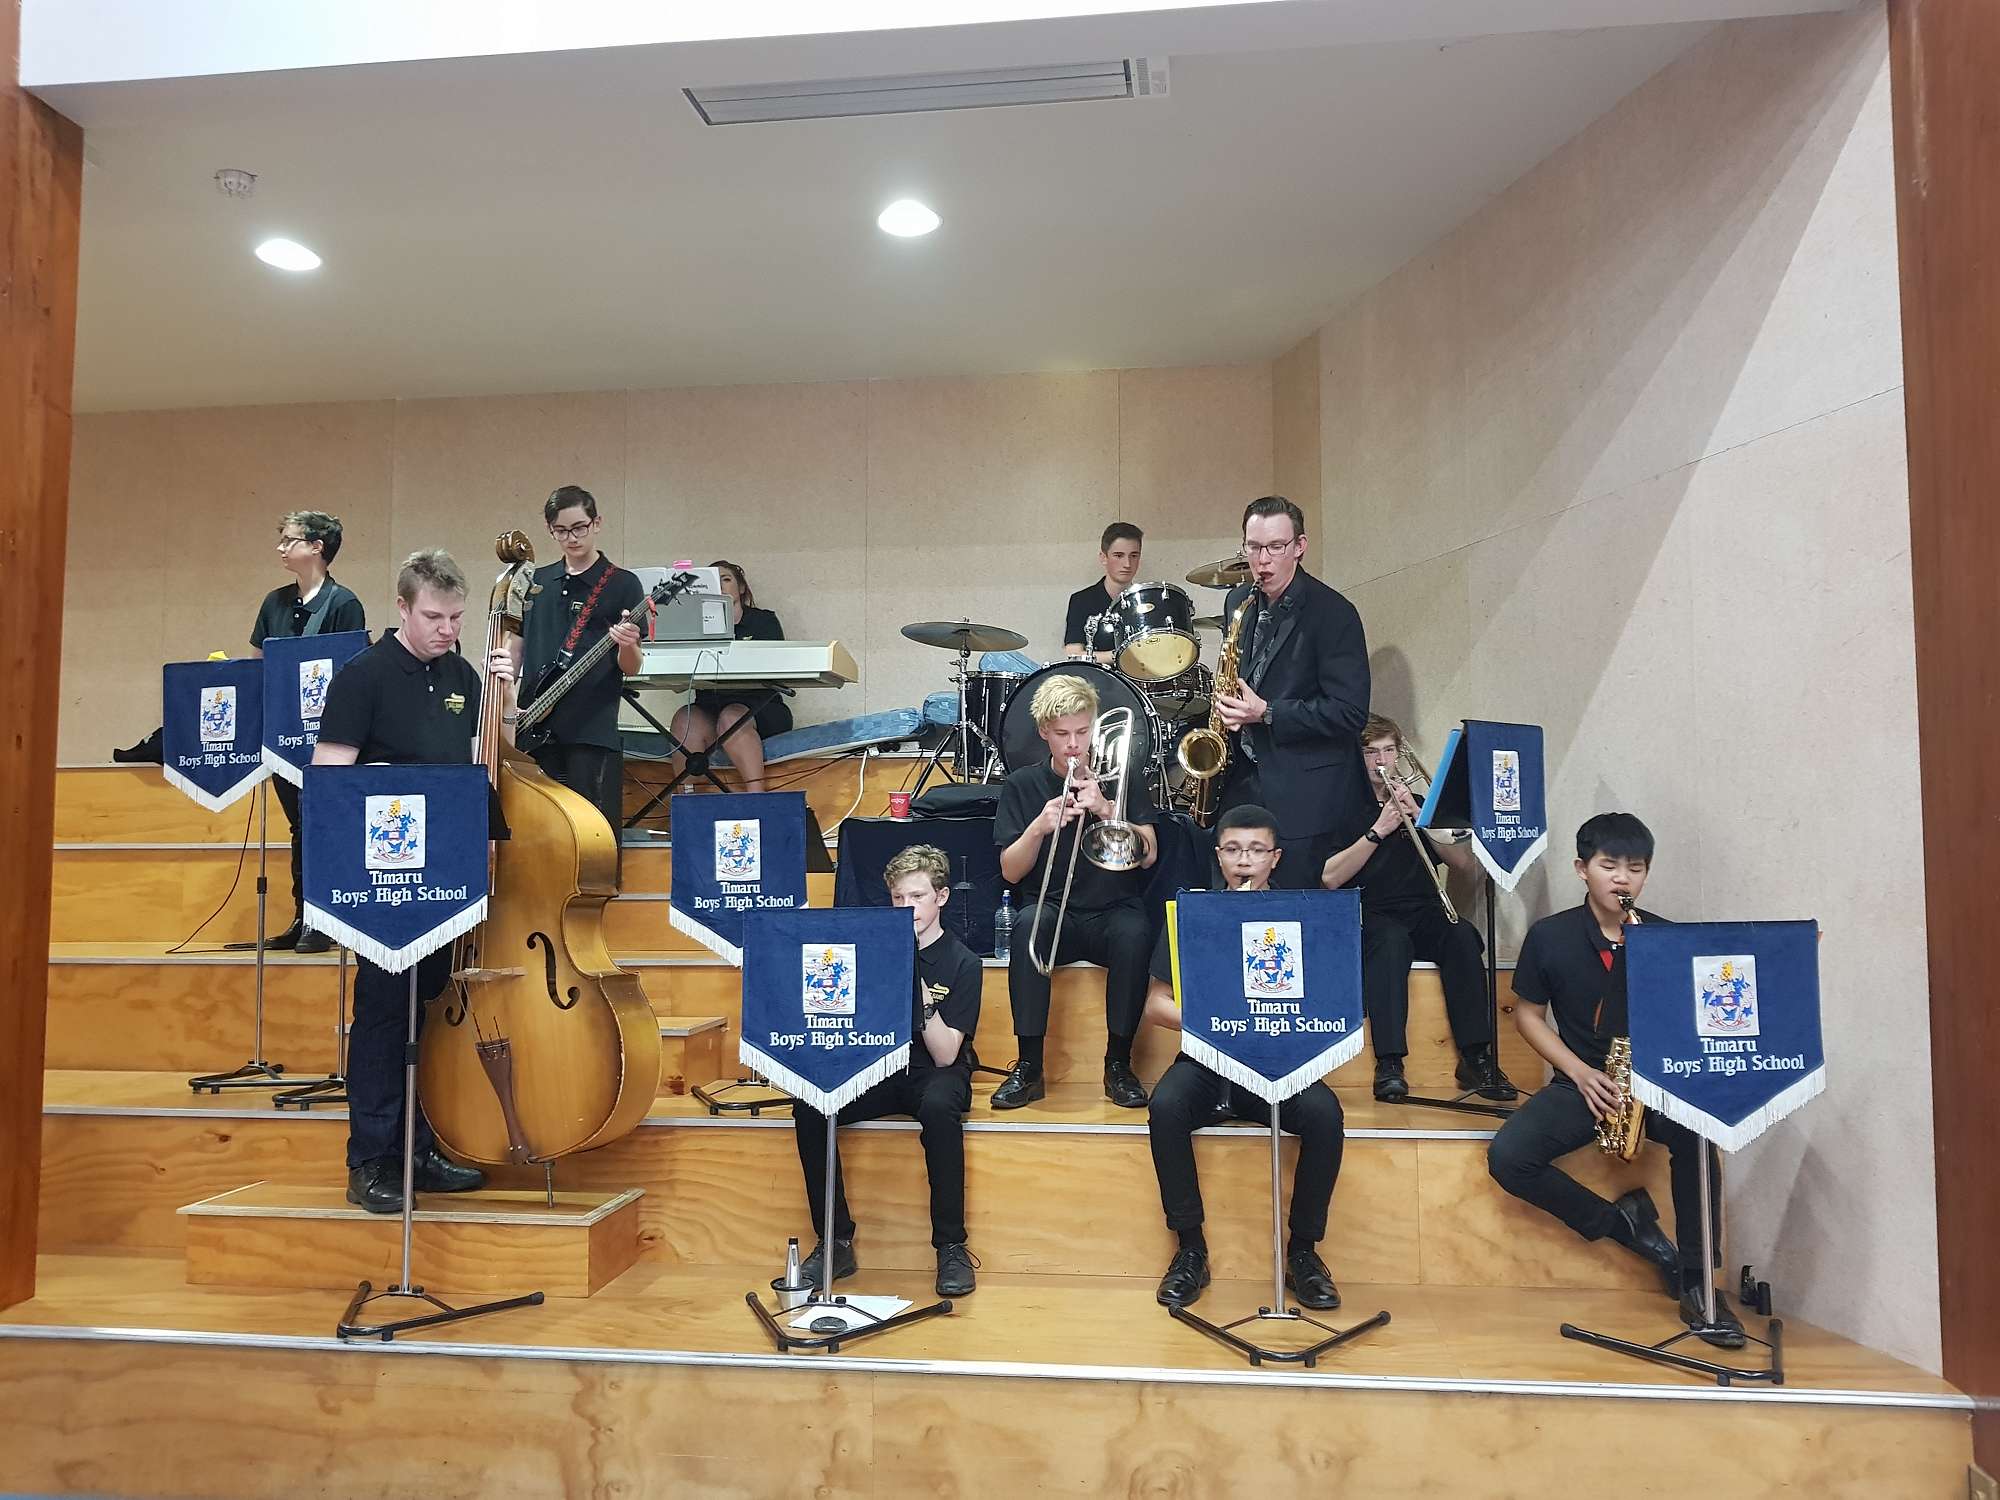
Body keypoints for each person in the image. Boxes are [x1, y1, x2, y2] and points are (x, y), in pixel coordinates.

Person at [1485, 813, 1744, 1346]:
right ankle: (1626, 1228)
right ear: (1582, 869)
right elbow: (1528, 1015)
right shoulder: (1550, 936)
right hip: (1585, 1079)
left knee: (1699, 1138)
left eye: (1636, 868)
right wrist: (1579, 1073)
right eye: (1609, 866)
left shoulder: (1665, 936)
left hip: (1656, 1081)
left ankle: (1699, 1280)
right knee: (1509, 1157)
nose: (1622, 878)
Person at [312, 549, 490, 1214]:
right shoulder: (363, 677)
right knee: (385, 1016)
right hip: (383, 877)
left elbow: (475, 767)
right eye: (435, 617)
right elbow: (329, 780)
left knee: (425, 1011)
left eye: (457, 617)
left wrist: (506, 699)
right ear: (403, 608)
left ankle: (416, 1149)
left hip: (443, 875)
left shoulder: (464, 675)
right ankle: (371, 1159)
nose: (448, 629)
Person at [1143, 804, 1344, 1309]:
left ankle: (1303, 1253)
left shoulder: (1304, 914)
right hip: (1207, 1059)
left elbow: (1329, 1000)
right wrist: (1214, 1020)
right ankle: (1190, 1248)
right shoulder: (1192, 914)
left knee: (1325, 1114)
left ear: (1275, 858)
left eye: (1256, 850)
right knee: (1165, 1106)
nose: (1244, 860)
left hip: (1275, 1060)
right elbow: (1156, 1004)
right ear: (1218, 856)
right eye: (1233, 849)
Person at [786, 845, 983, 1297]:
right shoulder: (871, 951)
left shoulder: (962, 962)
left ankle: (951, 1246)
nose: (906, 907)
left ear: (941, 897)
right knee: (811, 1104)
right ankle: (835, 1240)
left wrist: (913, 981)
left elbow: (946, 1055)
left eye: (917, 896)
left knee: (939, 1108)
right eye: (898, 898)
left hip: (933, 1070)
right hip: (880, 1065)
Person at [1319, 715, 1515, 1103]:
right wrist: (1378, 830)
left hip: (1424, 909)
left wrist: (1422, 822)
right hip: (1370, 912)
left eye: (1389, 750)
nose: (1382, 761)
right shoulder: (1342, 808)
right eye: (1371, 752)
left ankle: (1477, 1057)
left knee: (1461, 935)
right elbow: (1329, 878)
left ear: (1400, 753)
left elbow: (1465, 865)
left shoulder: (1422, 806)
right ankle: (1390, 1063)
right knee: (1391, 942)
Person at [991, 672, 1159, 1111]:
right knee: (1029, 926)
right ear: (1044, 732)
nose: (1073, 745)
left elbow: (1149, 855)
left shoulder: (1121, 777)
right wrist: (1038, 827)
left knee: (1135, 932)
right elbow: (1010, 872)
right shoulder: (1022, 784)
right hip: (1052, 908)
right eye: (1062, 734)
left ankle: (1118, 1064)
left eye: (1082, 732)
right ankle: (1029, 1066)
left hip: (1112, 907)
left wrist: (1106, 809)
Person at [1212, 496, 1371, 889]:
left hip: (1307, 796)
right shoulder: (1239, 601)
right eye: (1253, 547)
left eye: (1276, 547)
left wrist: (1267, 712)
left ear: (1300, 546)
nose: (1262, 561)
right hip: (1245, 778)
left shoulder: (1333, 612)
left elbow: (1350, 712)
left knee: (1297, 906)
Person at [490, 485, 643, 877]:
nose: (572, 538)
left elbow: (631, 667)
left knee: (589, 834)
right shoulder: (536, 582)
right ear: (550, 530)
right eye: (561, 531)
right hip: (533, 722)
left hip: (590, 725)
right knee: (536, 827)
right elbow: (518, 646)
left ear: (597, 523)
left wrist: (628, 644)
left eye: (579, 528)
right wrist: (506, 697)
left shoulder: (621, 584)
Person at [249, 510, 365, 954]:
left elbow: (352, 674)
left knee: (325, 824)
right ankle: (302, 916)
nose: (280, 547)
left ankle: (326, 918)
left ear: (317, 547)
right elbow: (258, 665)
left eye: (289, 539)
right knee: (299, 825)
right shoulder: (274, 602)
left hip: (328, 739)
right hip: (285, 737)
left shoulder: (343, 603)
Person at [669, 559, 792, 791]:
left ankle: (756, 798)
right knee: (684, 719)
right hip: (710, 707)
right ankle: (687, 801)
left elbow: (776, 666)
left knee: (732, 718)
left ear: (741, 587)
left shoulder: (762, 621)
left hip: (760, 708)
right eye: (713, 582)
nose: (720, 586)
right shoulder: (694, 626)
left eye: (725, 579)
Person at [1063, 521, 1144, 663]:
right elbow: (1073, 654)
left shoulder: (1146, 601)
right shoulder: (1081, 600)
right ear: (1103, 557)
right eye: (1118, 555)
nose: (1127, 564)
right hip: (1096, 676)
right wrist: (1121, 656)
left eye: (1133, 556)